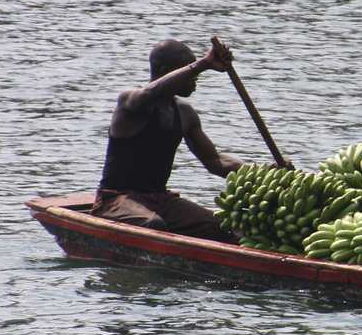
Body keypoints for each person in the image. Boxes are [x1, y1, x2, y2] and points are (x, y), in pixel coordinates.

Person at [93, 37, 269, 242]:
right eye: (189, 70)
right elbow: (151, 93)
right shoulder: (131, 101)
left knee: (222, 228)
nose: (195, 78)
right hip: (116, 200)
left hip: (161, 200)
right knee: (152, 225)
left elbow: (216, 162)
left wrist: (265, 171)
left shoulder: (185, 114)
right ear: (166, 72)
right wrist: (204, 63)